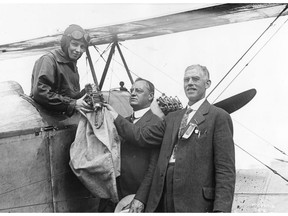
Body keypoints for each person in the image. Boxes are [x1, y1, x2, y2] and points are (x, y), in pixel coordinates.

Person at [105, 64, 236, 212]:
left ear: (207, 84)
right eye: (186, 80)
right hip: (163, 197)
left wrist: (221, 211)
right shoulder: (172, 118)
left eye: (195, 79)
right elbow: (141, 136)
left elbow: (225, 170)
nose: (190, 83)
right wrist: (115, 116)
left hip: (195, 201)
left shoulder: (218, 116)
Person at [98, 78, 161, 212]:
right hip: (115, 195)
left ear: (150, 96)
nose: (132, 93)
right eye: (131, 90)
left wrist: (141, 197)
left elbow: (153, 167)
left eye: (138, 91)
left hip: (137, 197)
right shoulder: (124, 121)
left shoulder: (156, 123)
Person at [30, 24, 93, 116]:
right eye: (74, 44)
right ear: (66, 43)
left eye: (82, 47)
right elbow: (40, 93)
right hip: (46, 119)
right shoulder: (48, 60)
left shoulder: (71, 63)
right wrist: (73, 104)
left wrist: (85, 95)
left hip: (62, 118)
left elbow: (69, 96)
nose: (78, 50)